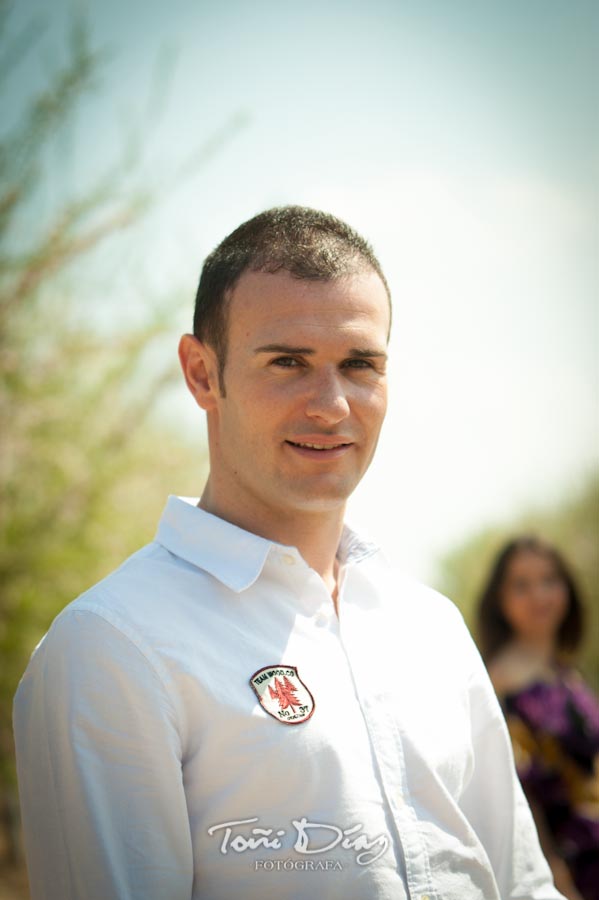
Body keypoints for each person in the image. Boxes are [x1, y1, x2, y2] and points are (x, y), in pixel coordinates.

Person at [13, 206, 567, 899]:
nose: (331, 405)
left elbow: (518, 886)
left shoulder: (431, 627)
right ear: (200, 374)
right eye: (287, 363)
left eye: (359, 364)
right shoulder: (112, 646)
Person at [477, 535, 599, 900]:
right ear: (500, 599)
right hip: (568, 869)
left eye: (549, 580)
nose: (539, 595)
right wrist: (556, 880)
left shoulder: (565, 673)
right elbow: (518, 796)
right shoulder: (496, 683)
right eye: (522, 585)